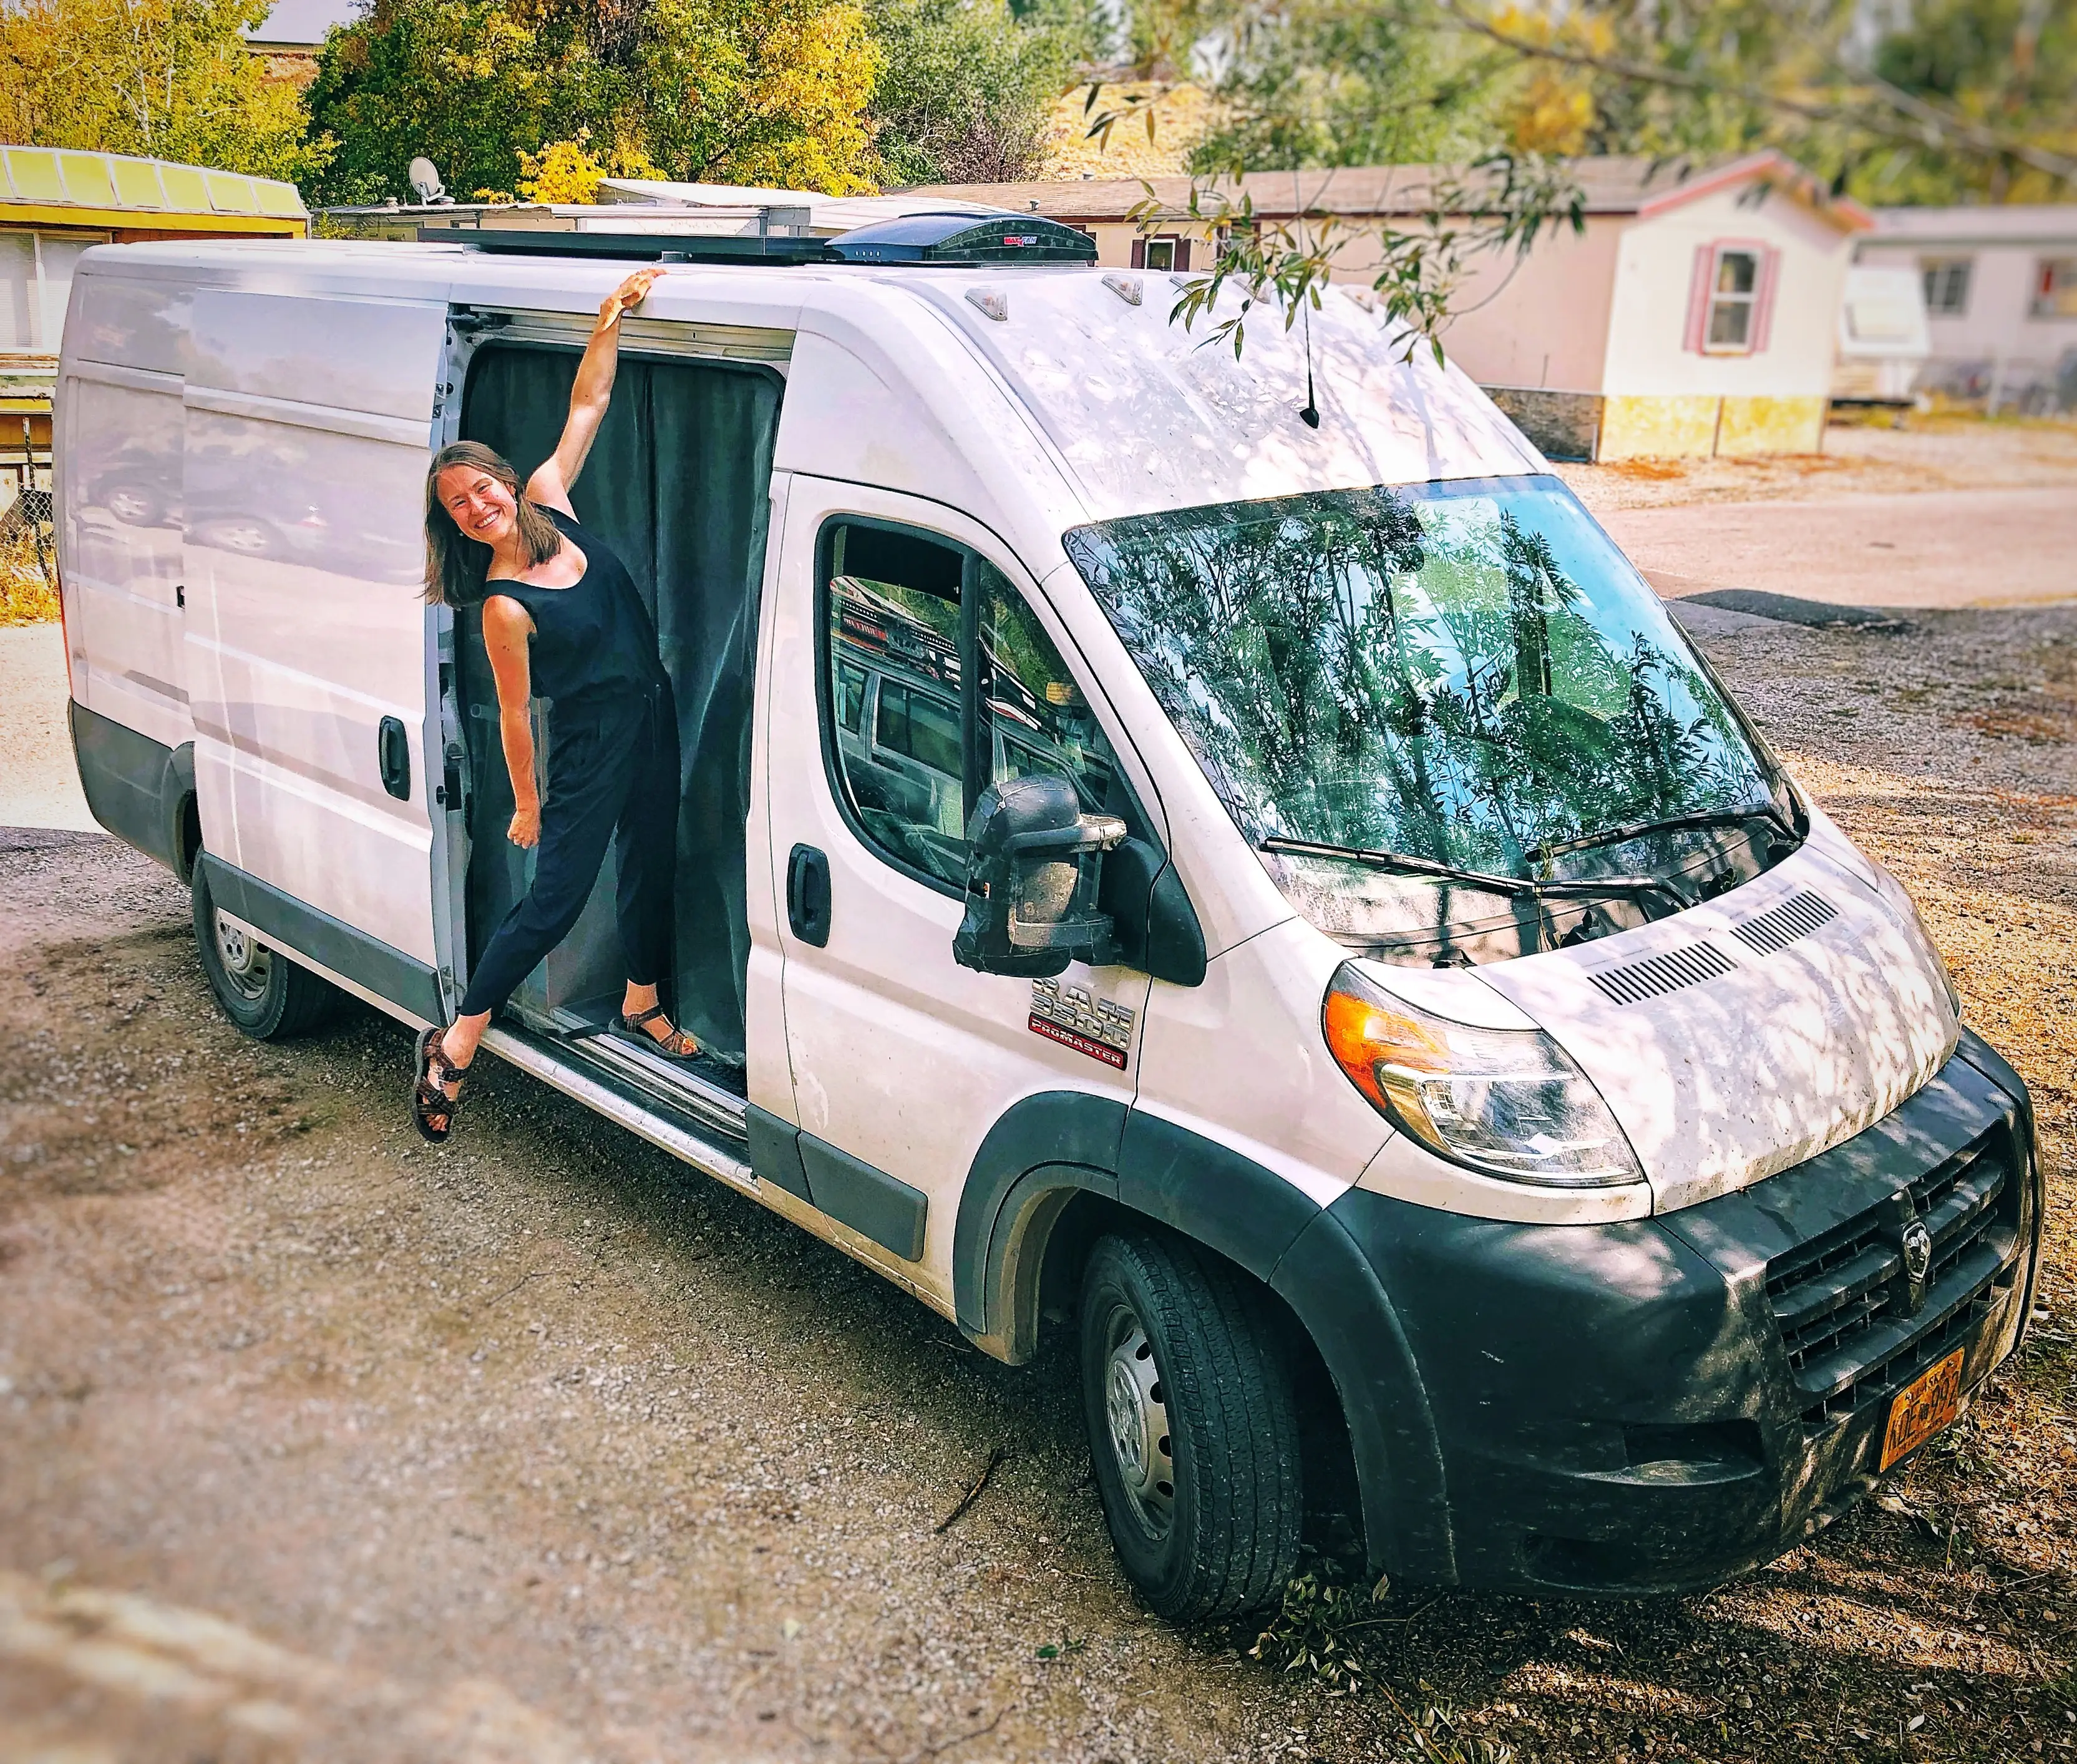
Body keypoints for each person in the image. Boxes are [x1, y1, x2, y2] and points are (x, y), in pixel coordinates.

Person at [412, 266, 702, 1142]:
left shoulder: (550, 496)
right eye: (459, 507)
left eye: (481, 489)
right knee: (556, 902)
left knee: (653, 858)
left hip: (653, 711)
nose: (477, 508)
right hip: (588, 743)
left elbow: (589, 403)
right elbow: (513, 714)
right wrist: (529, 804)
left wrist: (608, 319)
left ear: (506, 481)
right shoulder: (503, 605)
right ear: (455, 524)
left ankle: (642, 1000)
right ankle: (459, 1039)